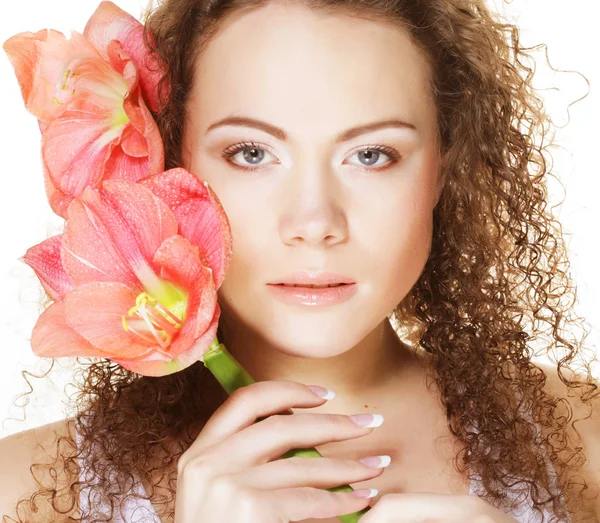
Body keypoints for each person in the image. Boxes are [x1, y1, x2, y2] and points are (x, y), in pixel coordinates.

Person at [1, 0, 599, 521]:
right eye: (251, 152)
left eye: (371, 154)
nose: (314, 222)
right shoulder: (20, 494)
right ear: (167, 166)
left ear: (444, 167)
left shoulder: (584, 441)